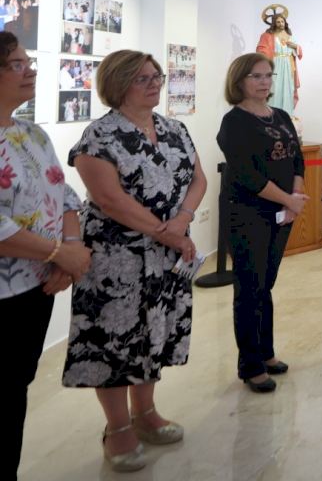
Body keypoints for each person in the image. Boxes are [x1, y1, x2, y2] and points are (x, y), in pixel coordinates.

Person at [63, 49, 206, 472]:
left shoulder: (174, 128)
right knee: (113, 340)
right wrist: (167, 231)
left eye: (156, 76)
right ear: (118, 83)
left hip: (167, 253)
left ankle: (146, 412)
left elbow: (198, 179)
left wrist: (182, 220)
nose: (154, 83)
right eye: (143, 78)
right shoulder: (99, 136)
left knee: (153, 332)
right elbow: (110, 199)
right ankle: (118, 427)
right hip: (116, 258)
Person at [0, 34, 92, 480]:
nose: (31, 71)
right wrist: (60, 252)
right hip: (5, 293)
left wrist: (68, 249)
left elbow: (65, 193)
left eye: (28, 61)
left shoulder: (31, 133)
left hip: (37, 285)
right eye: (17, 65)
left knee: (14, 390)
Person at [217, 53, 307, 394]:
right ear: (239, 80)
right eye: (256, 76)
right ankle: (251, 365)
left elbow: (296, 158)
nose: (264, 81)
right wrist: (288, 200)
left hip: (280, 211)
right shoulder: (234, 121)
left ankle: (266, 353)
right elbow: (246, 174)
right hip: (247, 212)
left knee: (265, 285)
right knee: (249, 288)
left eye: (268, 75)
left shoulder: (280, 115)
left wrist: (295, 195)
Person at [256, 4, 302, 115]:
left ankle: (287, 114)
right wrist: (265, 57)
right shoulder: (267, 35)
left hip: (288, 66)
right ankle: (272, 114)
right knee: (274, 88)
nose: (281, 24)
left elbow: (298, 51)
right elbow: (261, 49)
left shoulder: (289, 35)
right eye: (278, 22)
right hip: (275, 65)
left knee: (288, 89)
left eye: (282, 21)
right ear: (274, 23)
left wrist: (295, 47)